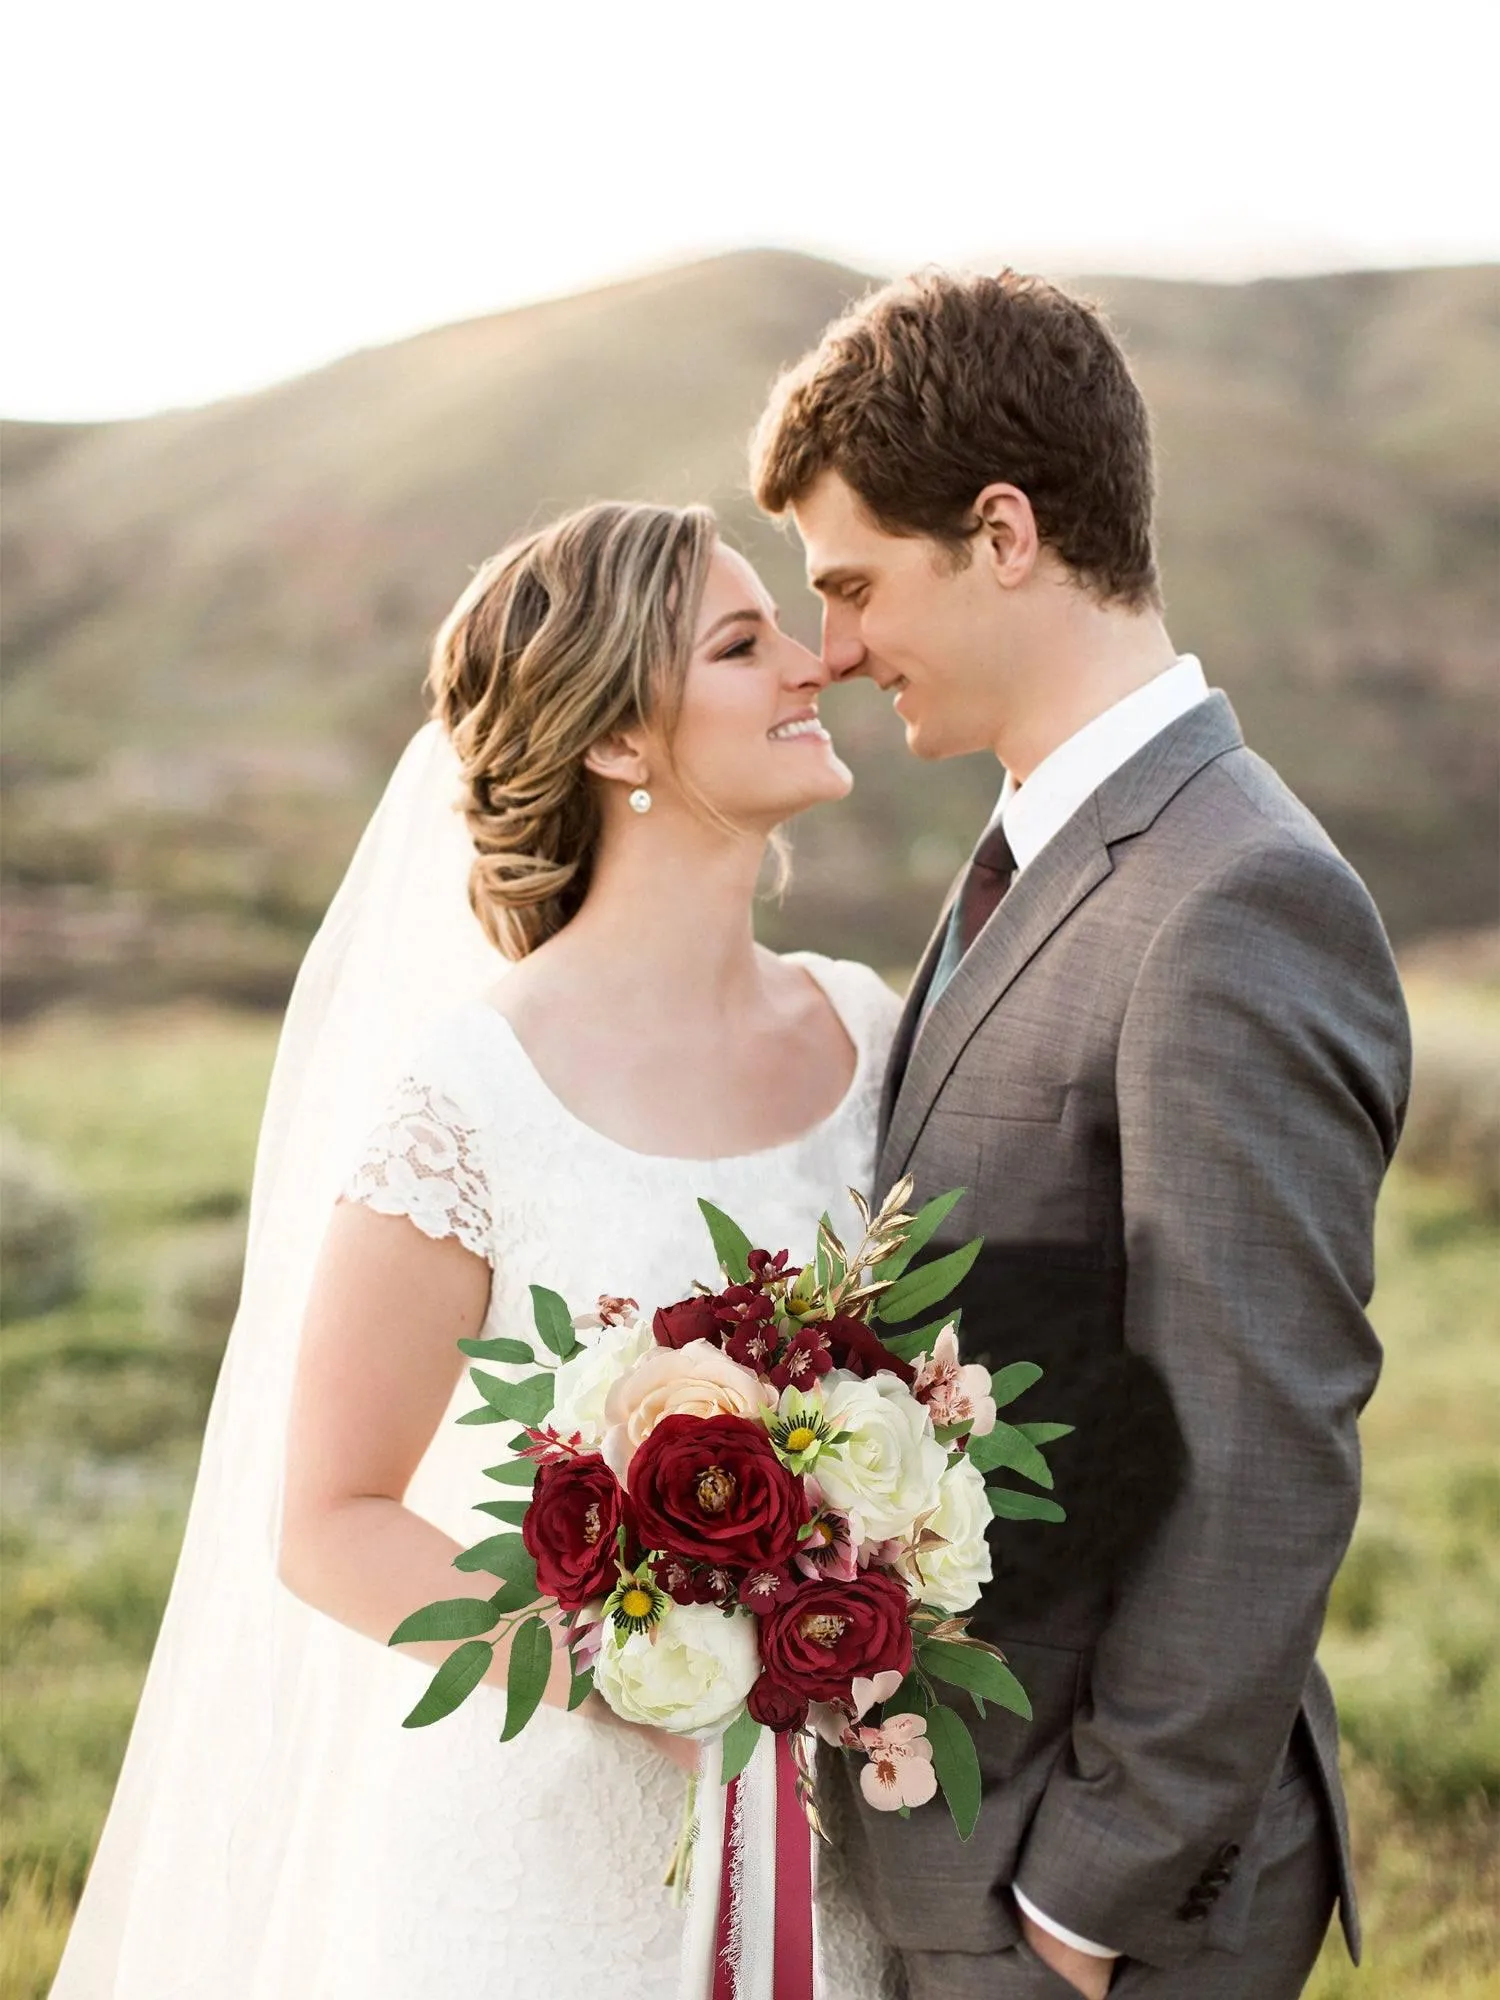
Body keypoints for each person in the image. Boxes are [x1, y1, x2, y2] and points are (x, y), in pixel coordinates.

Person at [50, 501, 902, 1999]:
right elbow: (331, 1518)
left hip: (841, 1859)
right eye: (740, 643)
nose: (811, 663)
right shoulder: (474, 1092)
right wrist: (645, 1672)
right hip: (541, 1875)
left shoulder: (868, 1024)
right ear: (619, 745)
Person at [752, 270, 1411, 2000]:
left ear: (1004, 530)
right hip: (973, 1847)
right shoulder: (1047, 853)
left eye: (853, 586)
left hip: (1108, 1903)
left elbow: (1268, 1445)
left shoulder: (1234, 898)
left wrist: (1085, 1901)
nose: (828, 651)